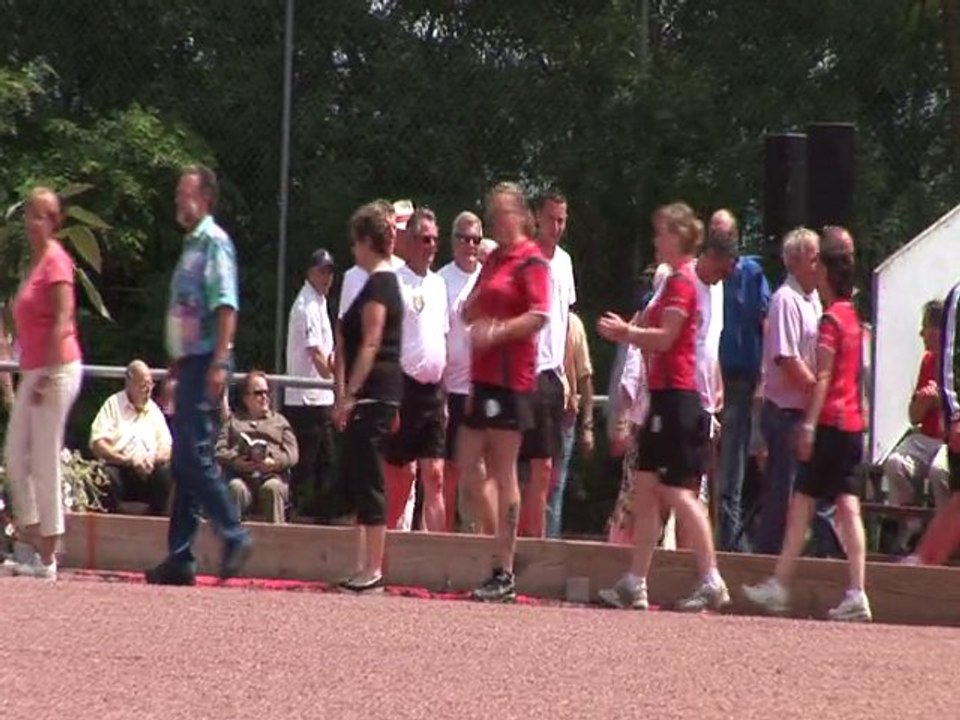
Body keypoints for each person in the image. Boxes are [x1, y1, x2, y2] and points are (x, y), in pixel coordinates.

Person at [596, 202, 730, 612]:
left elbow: (666, 337)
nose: (656, 240)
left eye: (661, 233)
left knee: (676, 491)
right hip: (663, 398)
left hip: (678, 399)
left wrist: (625, 332)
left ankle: (711, 579)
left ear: (677, 236)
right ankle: (635, 582)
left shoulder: (683, 282)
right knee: (647, 489)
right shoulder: (671, 281)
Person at [743, 227, 871, 622]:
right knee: (846, 508)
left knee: (800, 503)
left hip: (830, 422)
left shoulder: (831, 320)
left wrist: (811, 424)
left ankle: (780, 585)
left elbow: (826, 377)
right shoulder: (854, 318)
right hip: (852, 423)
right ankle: (856, 590)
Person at [145, 165, 251, 586]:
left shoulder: (214, 243)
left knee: (191, 457)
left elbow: (226, 305)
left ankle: (233, 532)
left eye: (183, 194)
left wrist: (219, 362)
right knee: (187, 460)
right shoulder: (192, 244)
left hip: (207, 359)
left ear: (205, 198)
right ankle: (181, 556)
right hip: (191, 360)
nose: (177, 201)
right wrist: (179, 357)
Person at [459, 182, 550, 602]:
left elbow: (539, 315)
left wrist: (496, 333)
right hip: (482, 375)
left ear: (519, 214)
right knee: (465, 463)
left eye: (501, 212)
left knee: (504, 468)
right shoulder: (494, 257)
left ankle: (505, 568)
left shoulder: (531, 260)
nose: (495, 219)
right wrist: (473, 309)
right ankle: (497, 549)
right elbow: (471, 306)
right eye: (491, 212)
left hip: (513, 378)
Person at [0, 187, 83, 581]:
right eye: (29, 214)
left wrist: (47, 374)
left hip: (57, 368)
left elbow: (64, 319)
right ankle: (36, 544)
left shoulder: (57, 263)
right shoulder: (32, 267)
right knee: (16, 455)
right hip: (34, 368)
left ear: (54, 222)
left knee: (44, 457)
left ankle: (47, 558)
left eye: (41, 215)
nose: (32, 222)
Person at [334, 200, 404, 592]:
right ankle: (365, 563)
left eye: (355, 243)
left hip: (376, 389)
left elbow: (372, 340)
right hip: (375, 390)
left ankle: (374, 567)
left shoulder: (380, 282)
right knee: (361, 474)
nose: (353, 251)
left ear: (366, 241)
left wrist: (351, 393)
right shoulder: (375, 281)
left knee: (371, 474)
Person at [382, 208, 450, 532]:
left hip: (434, 392)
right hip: (404, 389)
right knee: (401, 478)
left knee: (435, 476)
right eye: (425, 239)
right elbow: (388, 344)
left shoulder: (439, 285)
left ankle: (440, 563)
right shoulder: (395, 282)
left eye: (435, 240)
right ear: (408, 241)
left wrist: (445, 398)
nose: (431, 246)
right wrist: (391, 400)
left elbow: (442, 339)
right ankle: (383, 551)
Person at [438, 211, 485, 532]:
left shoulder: (490, 277)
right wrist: (439, 393)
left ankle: (479, 538)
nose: (470, 245)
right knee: (450, 470)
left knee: (482, 470)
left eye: (476, 239)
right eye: (464, 238)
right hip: (452, 388)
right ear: (453, 242)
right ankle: (445, 539)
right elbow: (437, 337)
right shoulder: (441, 280)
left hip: (484, 387)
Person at [284, 248, 337, 522]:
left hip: (320, 397)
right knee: (307, 463)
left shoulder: (319, 302)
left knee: (325, 462)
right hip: (306, 400)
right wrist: (338, 384)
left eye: (329, 272)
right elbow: (316, 354)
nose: (327, 277)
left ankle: (318, 517)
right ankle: (296, 516)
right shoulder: (306, 305)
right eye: (321, 271)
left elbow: (326, 352)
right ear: (309, 272)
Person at [90, 359, 173, 516]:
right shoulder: (113, 404)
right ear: (129, 383)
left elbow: (167, 447)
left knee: (165, 474)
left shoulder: (154, 410)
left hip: (149, 469)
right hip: (121, 468)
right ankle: (113, 524)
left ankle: (156, 524)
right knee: (103, 475)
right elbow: (98, 443)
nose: (148, 390)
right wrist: (127, 460)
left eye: (151, 385)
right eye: (143, 385)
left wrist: (153, 459)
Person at [216, 371, 299, 524]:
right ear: (246, 398)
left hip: (271, 475)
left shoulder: (279, 421)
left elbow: (292, 453)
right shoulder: (234, 422)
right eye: (258, 393)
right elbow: (219, 451)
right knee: (235, 488)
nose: (265, 397)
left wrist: (275, 462)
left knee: (272, 489)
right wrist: (236, 461)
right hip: (242, 477)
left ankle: (276, 543)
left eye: (267, 393)